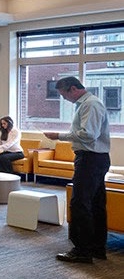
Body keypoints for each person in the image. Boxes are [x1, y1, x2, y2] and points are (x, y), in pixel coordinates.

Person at [43, 76, 111, 264]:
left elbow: (88, 135)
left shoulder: (90, 104)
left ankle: (82, 250)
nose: (63, 98)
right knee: (95, 204)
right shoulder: (88, 104)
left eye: (63, 94)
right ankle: (96, 247)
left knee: (80, 203)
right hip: (95, 159)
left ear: (73, 89)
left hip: (90, 159)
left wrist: (59, 135)